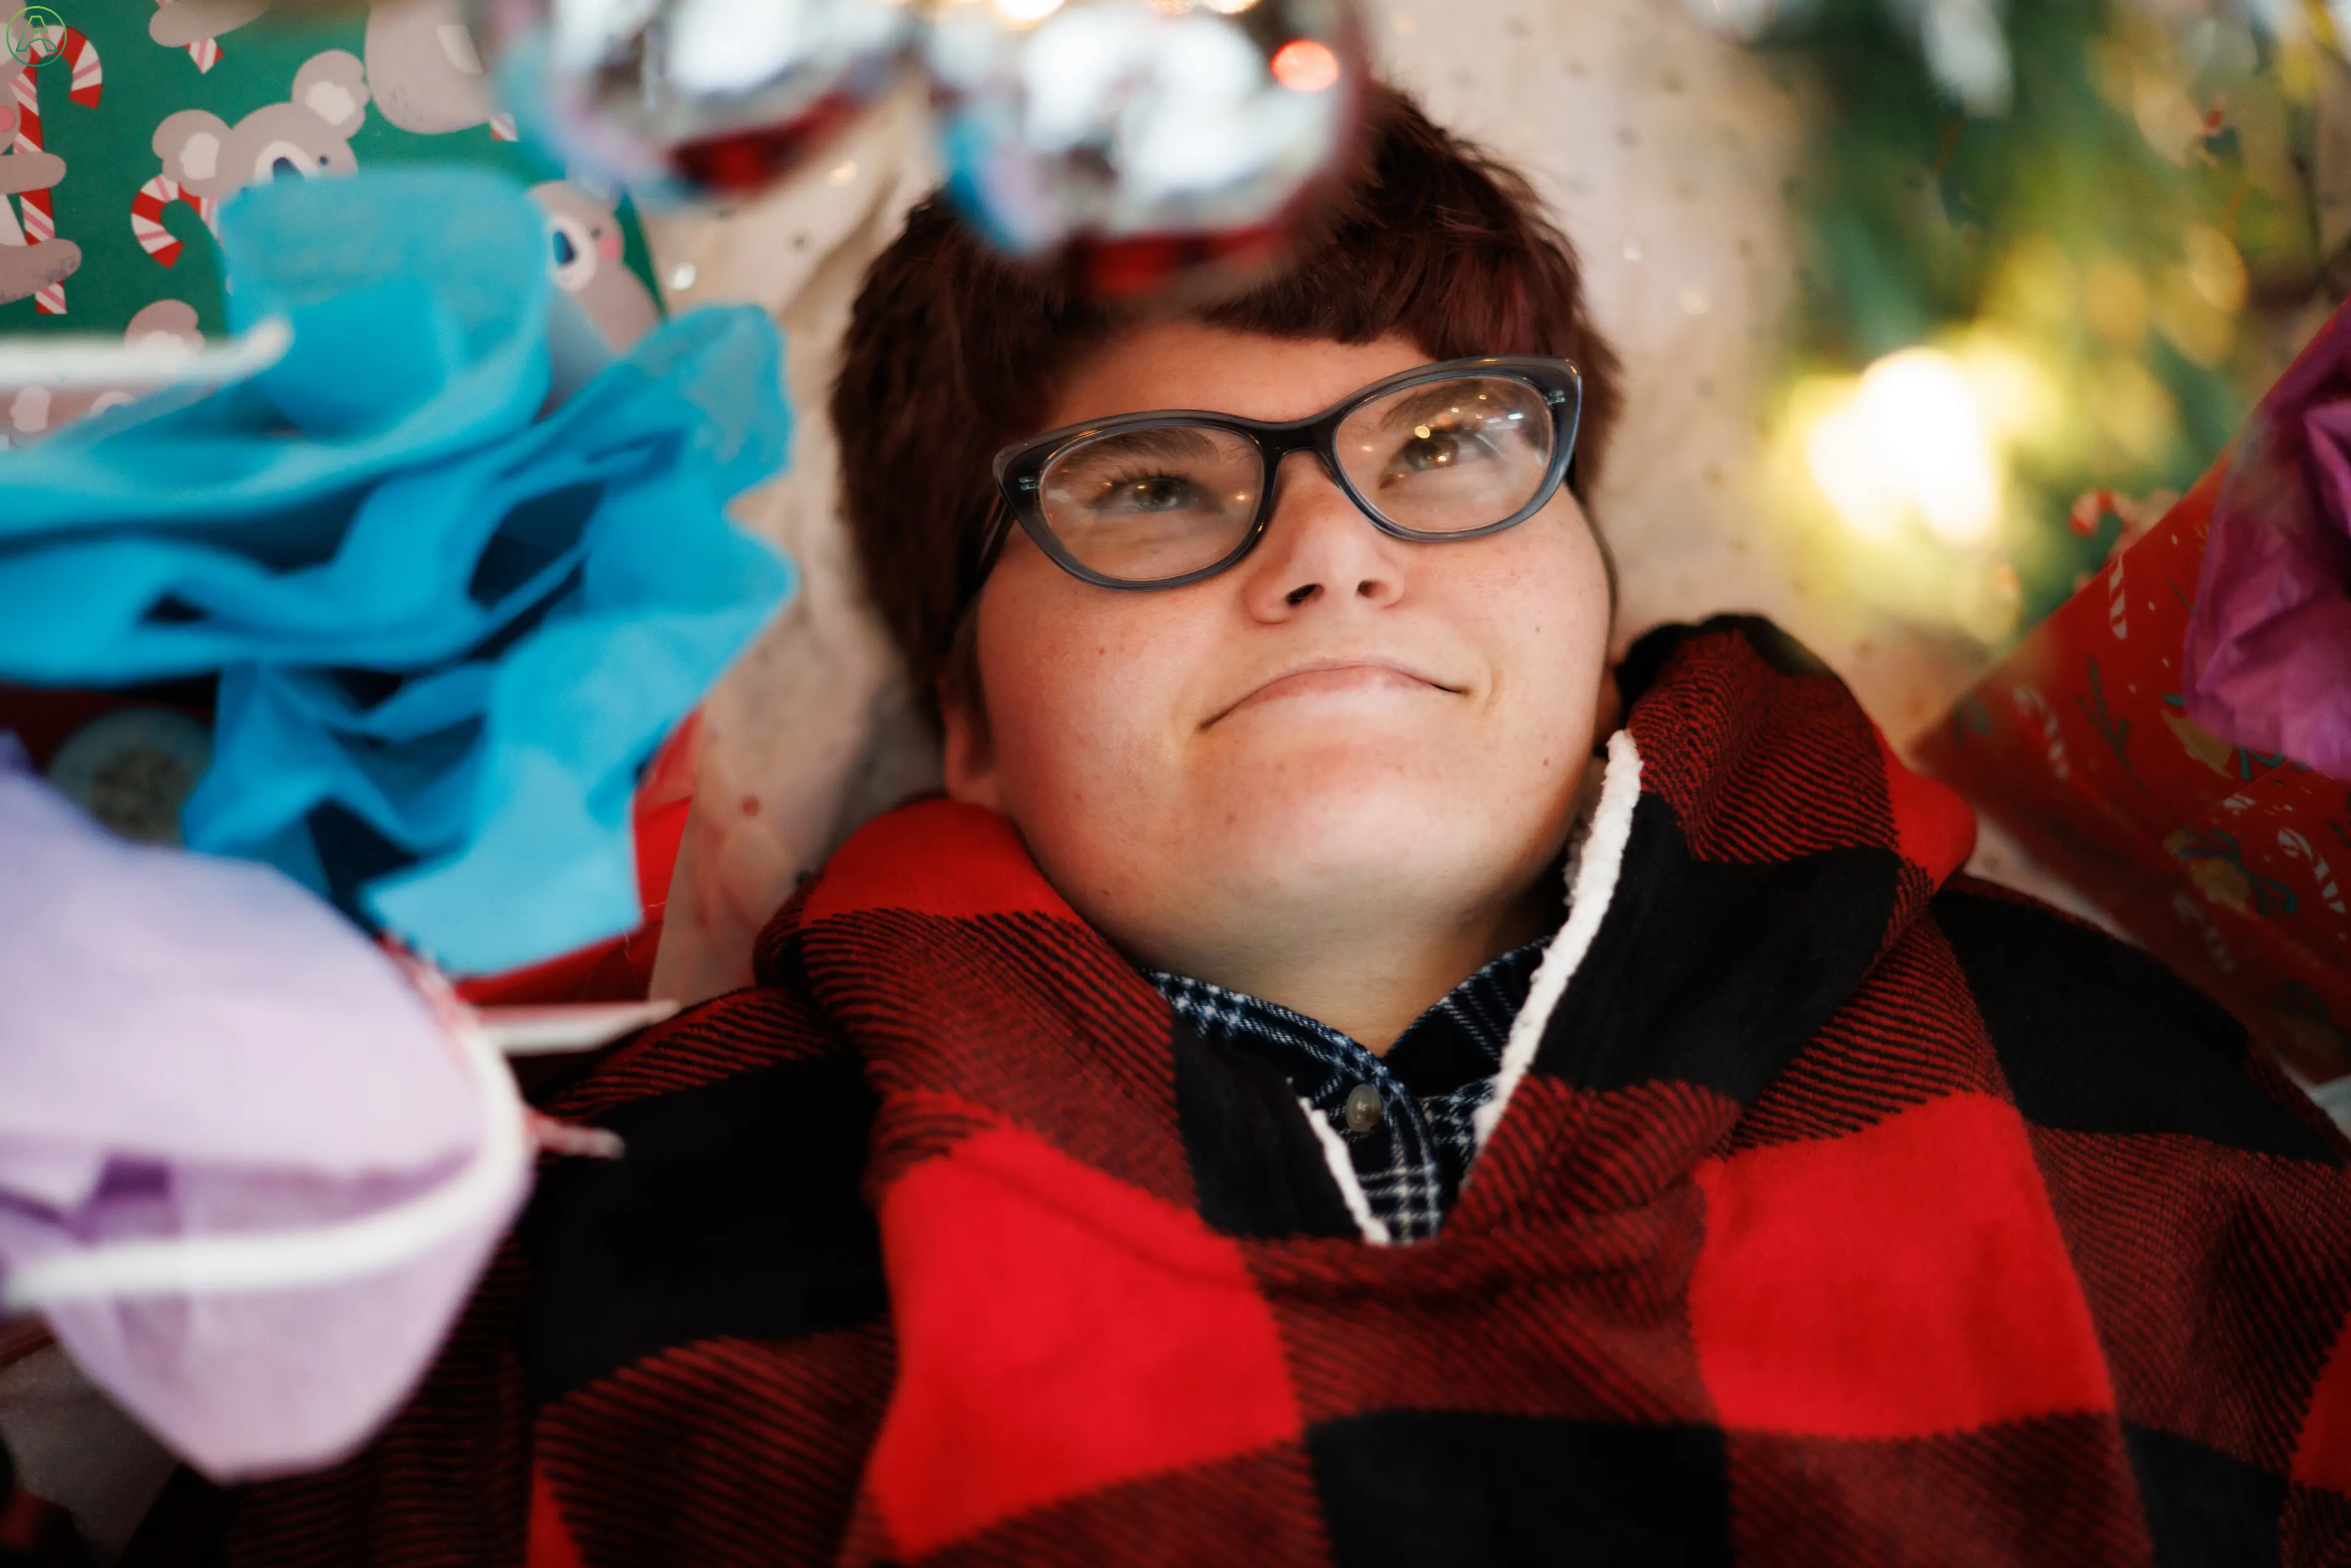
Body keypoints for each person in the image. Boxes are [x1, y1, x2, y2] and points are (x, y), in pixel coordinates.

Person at [229, 83, 2351, 1567]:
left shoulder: (2136, 1118)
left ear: (1595, 588)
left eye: (1444, 444)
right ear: (965, 716)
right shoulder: (616, 1245)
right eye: (1151, 485)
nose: (1331, 551)